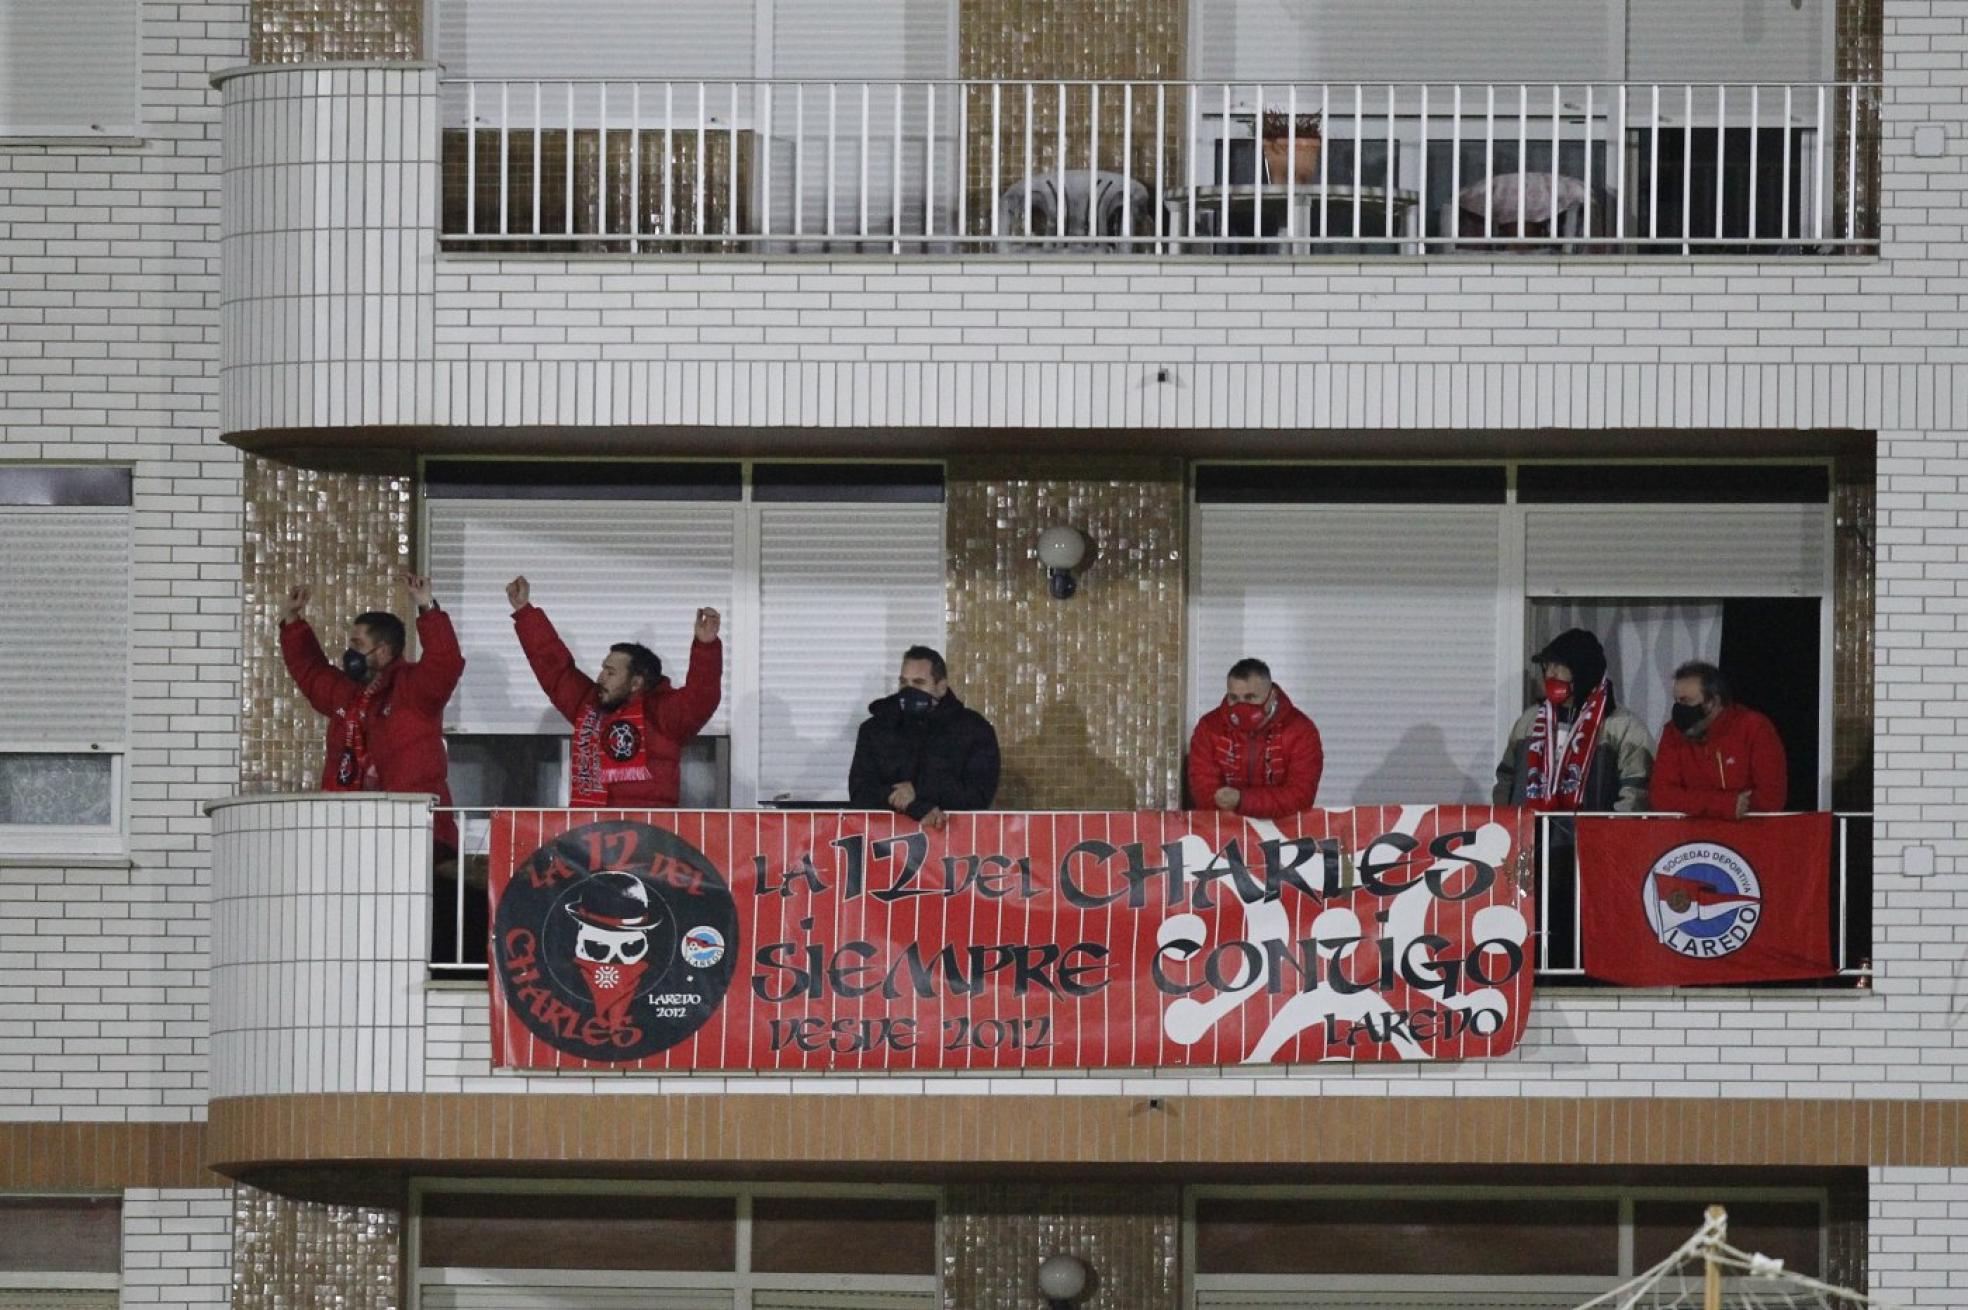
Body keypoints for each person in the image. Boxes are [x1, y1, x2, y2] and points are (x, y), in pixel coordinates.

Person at [279, 573, 465, 848]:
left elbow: (445, 662)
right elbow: (310, 671)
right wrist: (292, 620)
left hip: (415, 834)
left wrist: (427, 607)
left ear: (383, 651)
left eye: (358, 646)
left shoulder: (414, 690)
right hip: (349, 832)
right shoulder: (347, 695)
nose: (349, 654)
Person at [506, 576, 722, 807]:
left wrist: (706, 646)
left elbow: (702, 696)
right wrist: (525, 612)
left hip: (650, 838)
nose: (600, 678)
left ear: (636, 682)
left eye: (610, 672)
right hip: (588, 836)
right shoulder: (589, 706)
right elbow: (553, 669)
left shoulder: (665, 712)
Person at [1493, 628, 1653, 812]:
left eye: (1558, 666)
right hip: (1529, 837)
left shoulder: (1623, 726)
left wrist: (1610, 834)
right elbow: (1505, 780)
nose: (1549, 674)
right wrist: (1507, 824)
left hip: (1593, 838)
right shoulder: (1529, 720)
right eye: (1547, 666)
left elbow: (1637, 791)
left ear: (1582, 670)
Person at [847, 646, 1000, 831]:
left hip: (954, 847)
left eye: (919, 683)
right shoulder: (875, 729)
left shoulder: (973, 730)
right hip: (886, 848)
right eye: (904, 682)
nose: (909, 691)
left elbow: (978, 795)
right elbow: (860, 792)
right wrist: (914, 806)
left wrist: (919, 790)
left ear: (941, 687)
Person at [1186, 657, 1324, 817]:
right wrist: (1228, 803)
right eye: (1234, 698)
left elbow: (1300, 796)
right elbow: (1203, 790)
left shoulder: (1301, 731)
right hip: (1224, 830)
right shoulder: (1209, 728)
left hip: (1283, 833)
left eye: (1250, 697)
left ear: (1271, 696)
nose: (1241, 706)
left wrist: (1242, 801)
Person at [1651, 660, 1789, 818]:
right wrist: (1723, 804)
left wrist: (1691, 802)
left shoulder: (1754, 728)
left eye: (1686, 701)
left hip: (1749, 834)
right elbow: (1661, 796)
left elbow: (1771, 798)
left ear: (1713, 702)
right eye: (1677, 701)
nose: (1679, 709)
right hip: (1690, 837)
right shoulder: (1673, 732)